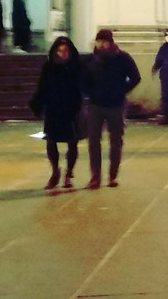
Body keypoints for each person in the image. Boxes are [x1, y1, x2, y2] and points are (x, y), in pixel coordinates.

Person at [80, 28, 141, 188]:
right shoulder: (91, 60)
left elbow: (135, 77)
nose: (101, 44)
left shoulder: (122, 58)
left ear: (110, 42)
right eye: (99, 41)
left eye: (104, 41)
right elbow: (82, 80)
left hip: (116, 105)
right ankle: (95, 177)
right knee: (93, 141)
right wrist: (90, 92)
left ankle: (112, 176)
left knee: (116, 141)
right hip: (96, 105)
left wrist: (121, 90)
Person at [29, 35, 83, 189]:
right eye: (60, 51)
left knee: (72, 142)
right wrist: (37, 104)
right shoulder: (49, 67)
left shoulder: (75, 66)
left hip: (71, 109)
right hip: (54, 109)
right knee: (51, 142)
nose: (63, 53)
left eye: (65, 50)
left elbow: (84, 83)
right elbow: (43, 87)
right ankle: (55, 172)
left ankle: (69, 174)